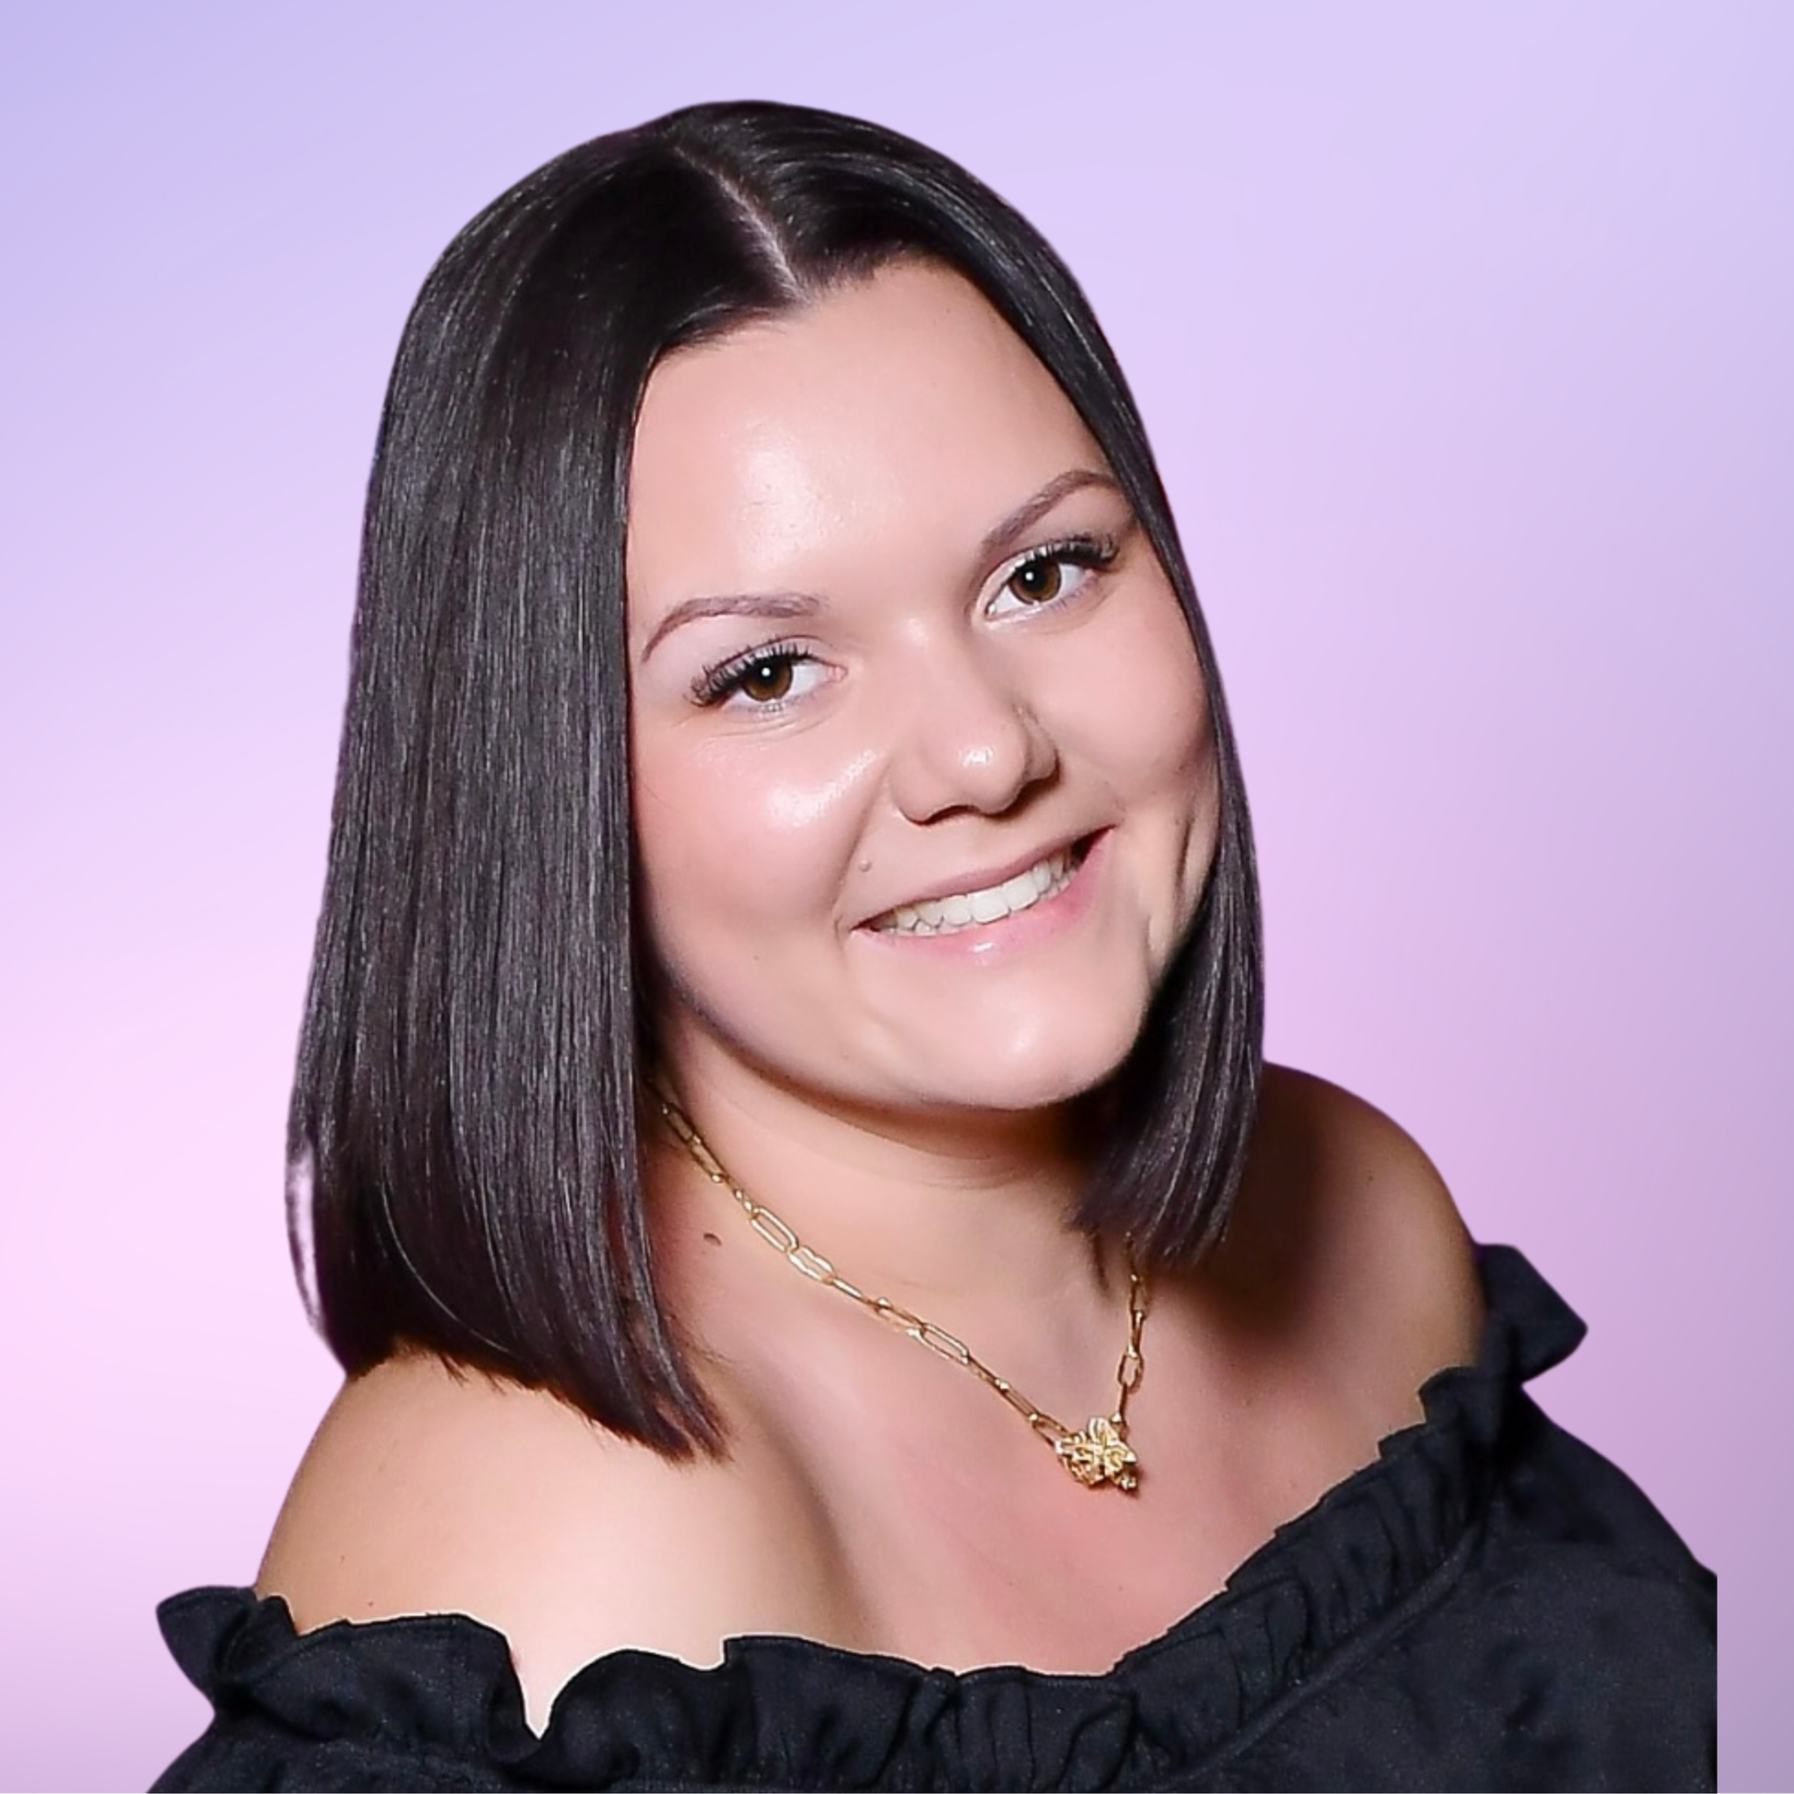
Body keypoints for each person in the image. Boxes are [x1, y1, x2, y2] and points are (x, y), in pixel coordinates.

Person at [152, 101, 1714, 1791]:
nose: (983, 751)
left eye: (1044, 572)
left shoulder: (1354, 1206)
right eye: (767, 673)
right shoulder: (550, 1559)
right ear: (541, 785)